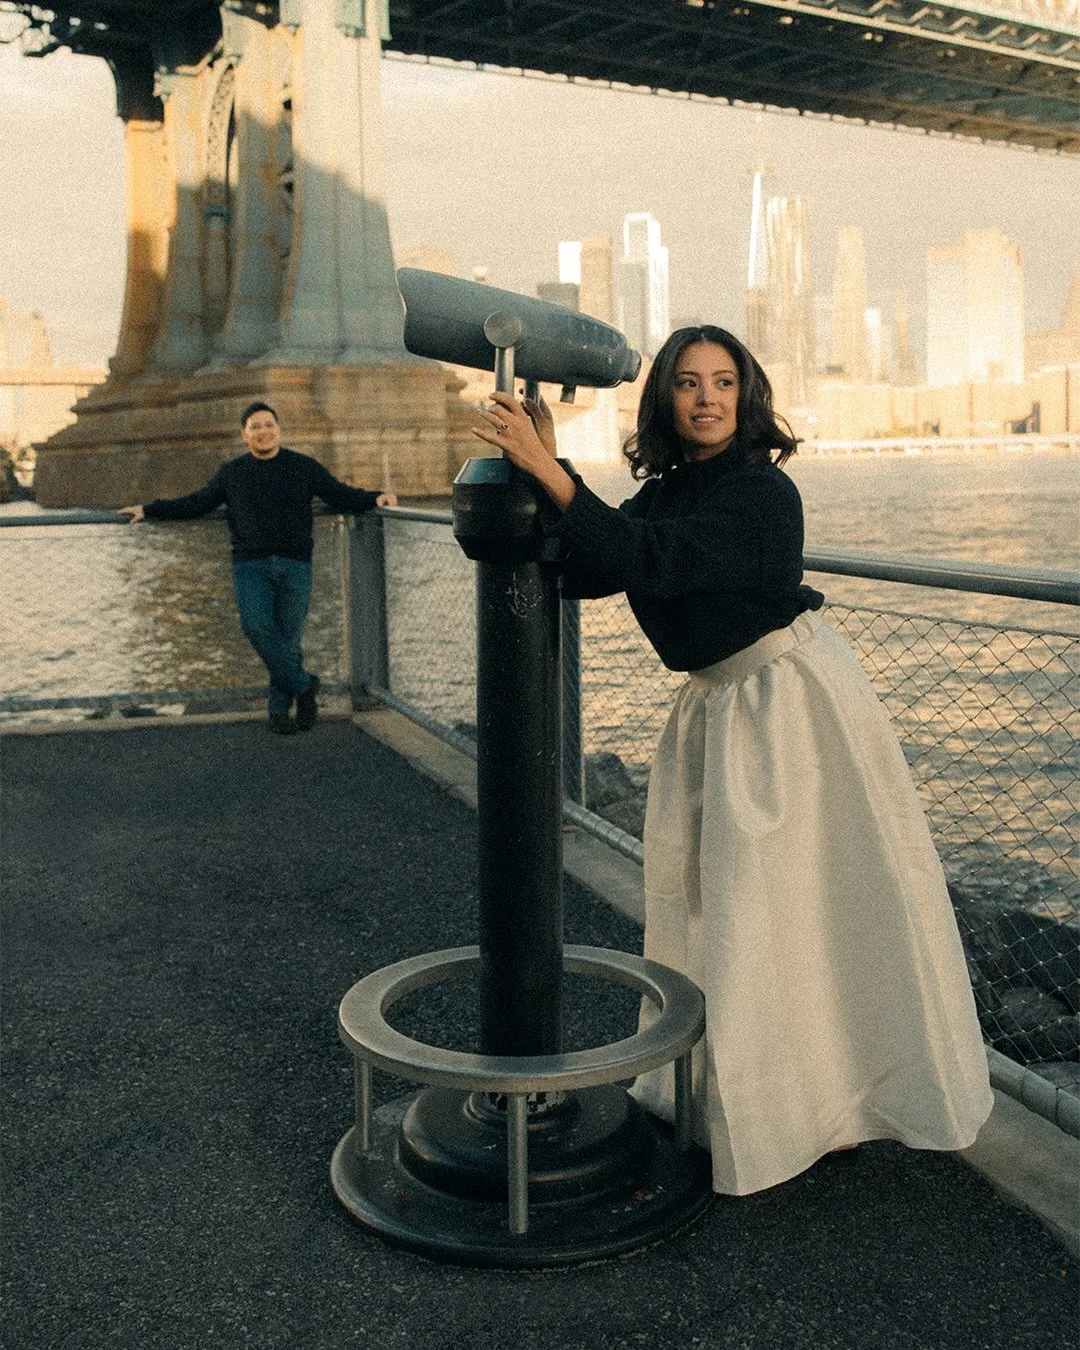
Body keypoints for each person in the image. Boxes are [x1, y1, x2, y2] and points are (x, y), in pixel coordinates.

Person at [472, 326, 993, 1197]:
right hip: (722, 708)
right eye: (687, 383)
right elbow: (597, 563)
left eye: (723, 382)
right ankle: (755, 1102)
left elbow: (653, 561)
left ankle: (828, 1110)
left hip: (788, 712)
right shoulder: (671, 490)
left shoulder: (764, 494)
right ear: (665, 401)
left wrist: (548, 471)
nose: (707, 398)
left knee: (796, 911)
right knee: (728, 916)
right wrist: (545, 470)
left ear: (747, 398)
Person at [121, 402, 397, 735]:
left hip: (296, 565)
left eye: (269, 425)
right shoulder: (232, 472)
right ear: (244, 434)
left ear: (278, 429)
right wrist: (149, 510)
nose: (263, 431)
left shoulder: (303, 467)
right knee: (256, 627)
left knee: (288, 639)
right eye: (255, 426)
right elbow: (196, 502)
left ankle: (279, 711)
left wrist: (375, 497)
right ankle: (303, 686)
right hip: (251, 566)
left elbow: (340, 494)